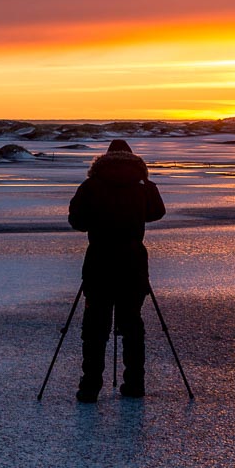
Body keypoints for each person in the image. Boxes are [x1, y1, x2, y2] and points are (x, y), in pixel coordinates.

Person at [69, 139, 165, 401]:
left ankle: (89, 387)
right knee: (132, 324)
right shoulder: (141, 187)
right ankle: (135, 384)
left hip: (99, 262)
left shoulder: (91, 185)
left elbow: (76, 221)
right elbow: (158, 212)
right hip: (132, 263)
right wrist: (145, 187)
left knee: (95, 328)